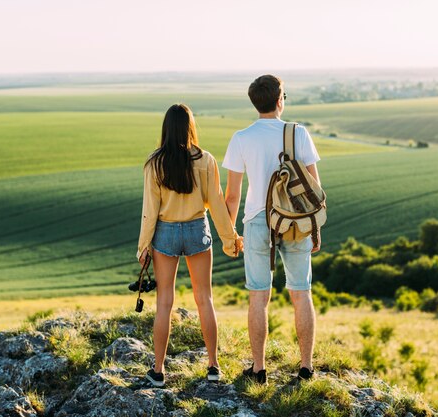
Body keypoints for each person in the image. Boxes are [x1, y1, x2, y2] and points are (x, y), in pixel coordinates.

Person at [223, 75, 322, 384]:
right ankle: (305, 367)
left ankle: (259, 369)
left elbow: (232, 196)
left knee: (258, 296)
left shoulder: (242, 138)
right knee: (301, 292)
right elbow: (315, 189)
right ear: (280, 100)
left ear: (256, 103)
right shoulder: (298, 133)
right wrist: (315, 230)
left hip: (256, 220)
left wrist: (229, 235)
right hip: (295, 220)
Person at [137, 103, 243, 388]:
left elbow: (150, 209)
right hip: (198, 229)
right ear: (190, 127)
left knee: (164, 303)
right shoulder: (205, 159)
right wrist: (231, 240)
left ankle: (158, 371)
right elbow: (218, 205)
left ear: (166, 129)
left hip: (165, 233)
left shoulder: (154, 163)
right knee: (205, 299)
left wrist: (143, 247)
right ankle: (213, 366)